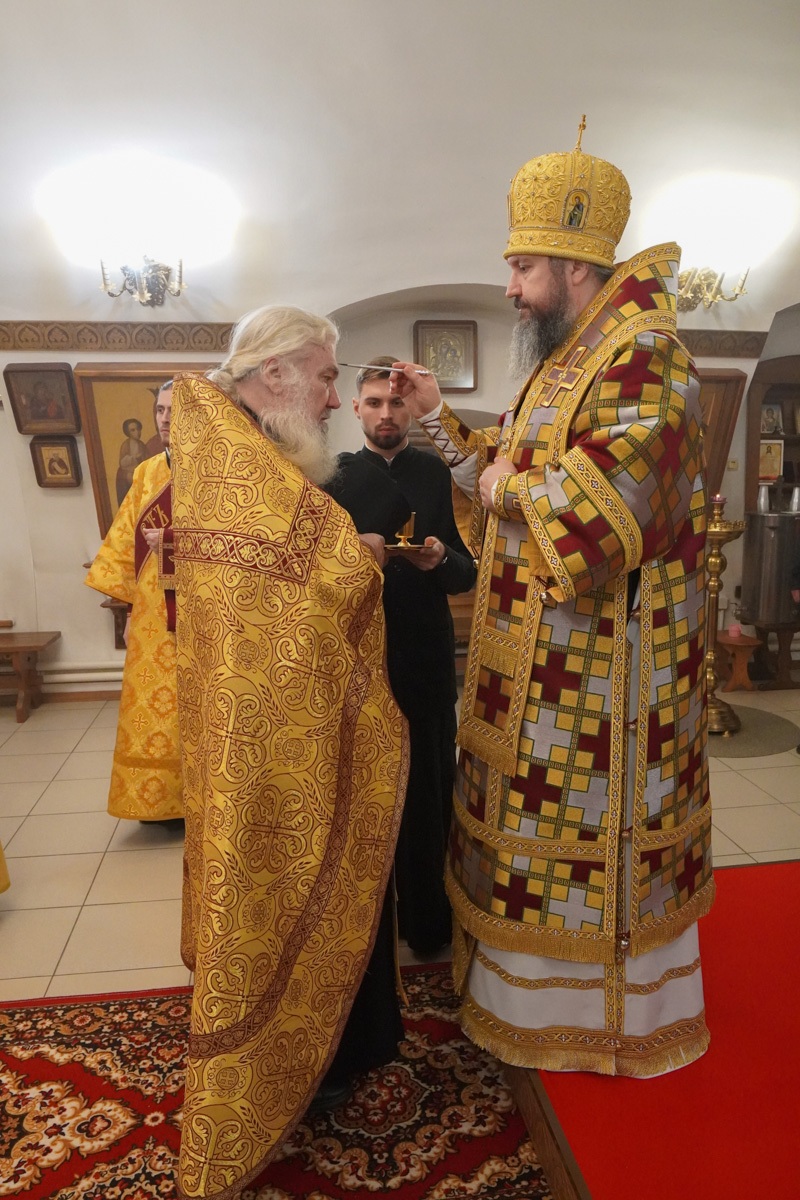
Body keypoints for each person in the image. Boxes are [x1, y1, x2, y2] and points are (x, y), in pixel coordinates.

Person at [388, 127, 713, 1079]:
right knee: (521, 832)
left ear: (575, 266)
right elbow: (504, 467)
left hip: (604, 673)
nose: (510, 287)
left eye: (523, 267)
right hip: (534, 662)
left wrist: (505, 489)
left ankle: (596, 1020)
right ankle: (512, 995)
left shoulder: (646, 355)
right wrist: (443, 423)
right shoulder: (569, 360)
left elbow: (615, 505)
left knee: (573, 839)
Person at [169, 307, 408, 1200]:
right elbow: (318, 577)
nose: (336, 399)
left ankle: (331, 1040)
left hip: (267, 716)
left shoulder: (231, 443)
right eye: (326, 377)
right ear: (273, 374)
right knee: (282, 873)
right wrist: (365, 554)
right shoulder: (235, 454)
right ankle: (288, 1062)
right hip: (266, 729)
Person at [328, 357, 476, 955]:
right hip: (359, 657)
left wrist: (439, 558)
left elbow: (466, 572)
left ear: (411, 408)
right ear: (356, 408)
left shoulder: (437, 474)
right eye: (374, 403)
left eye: (395, 403)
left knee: (427, 788)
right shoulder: (333, 476)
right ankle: (365, 932)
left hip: (424, 653)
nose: (385, 414)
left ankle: (428, 922)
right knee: (363, 793)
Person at [85, 382, 183, 823]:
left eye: (174, 410)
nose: (165, 418)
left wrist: (175, 540)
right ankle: (157, 801)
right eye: (160, 410)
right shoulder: (146, 473)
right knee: (157, 704)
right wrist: (128, 611)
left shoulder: (218, 472)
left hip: (205, 604)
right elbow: (127, 542)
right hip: (153, 612)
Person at [115, 417, 148, 503]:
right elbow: (122, 462)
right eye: (133, 430)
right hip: (128, 471)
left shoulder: (142, 445)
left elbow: (147, 460)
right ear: (128, 433)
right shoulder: (126, 445)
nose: (137, 432)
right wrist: (134, 458)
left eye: (138, 429)